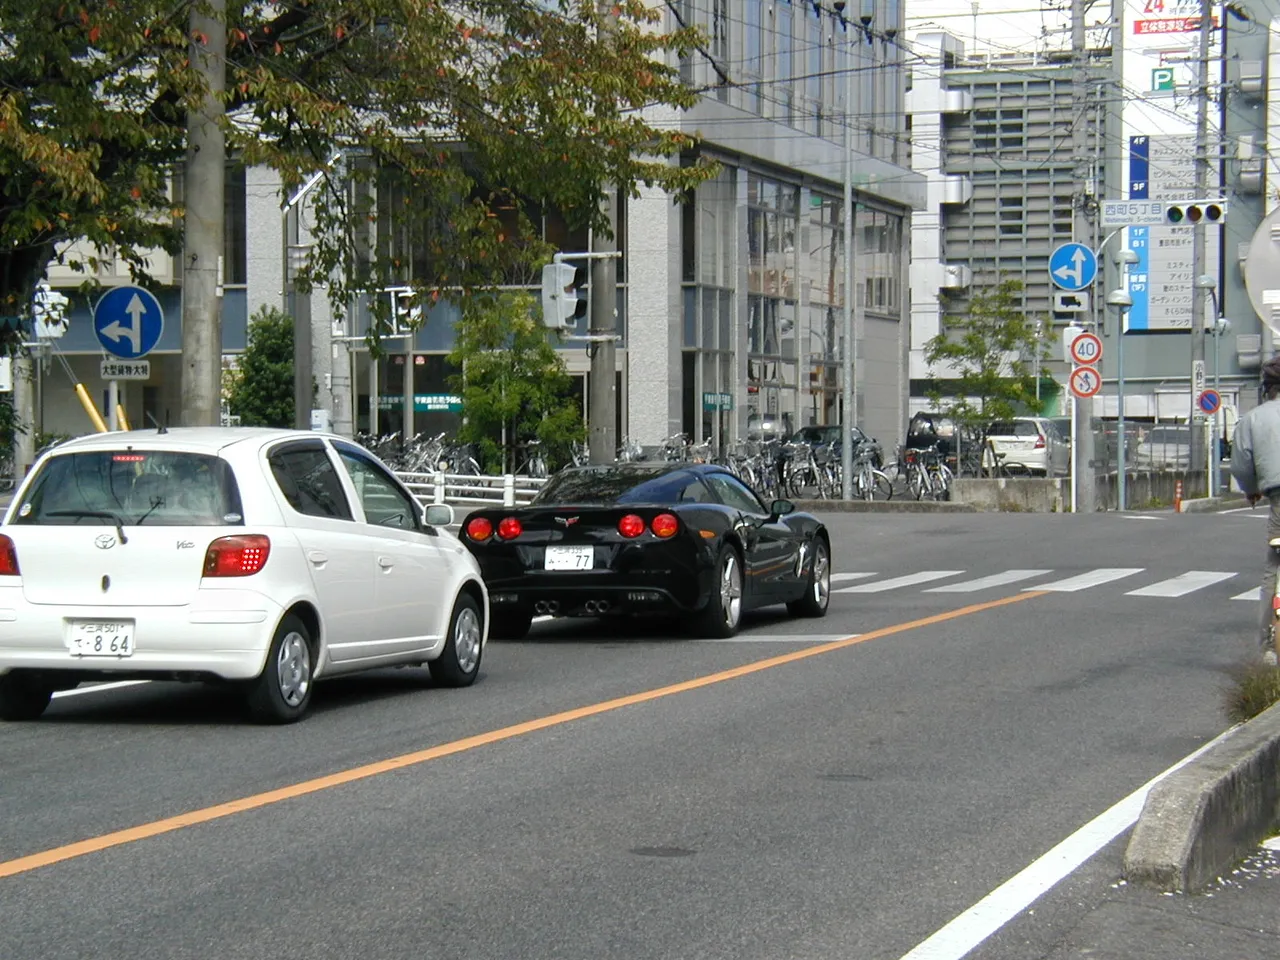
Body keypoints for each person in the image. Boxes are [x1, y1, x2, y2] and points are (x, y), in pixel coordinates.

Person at [1229, 356, 1280, 666]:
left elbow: (1241, 465)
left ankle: (1269, 648)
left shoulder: (1252, 419)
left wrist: (1251, 490)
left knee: (1273, 570)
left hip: (1278, 498)